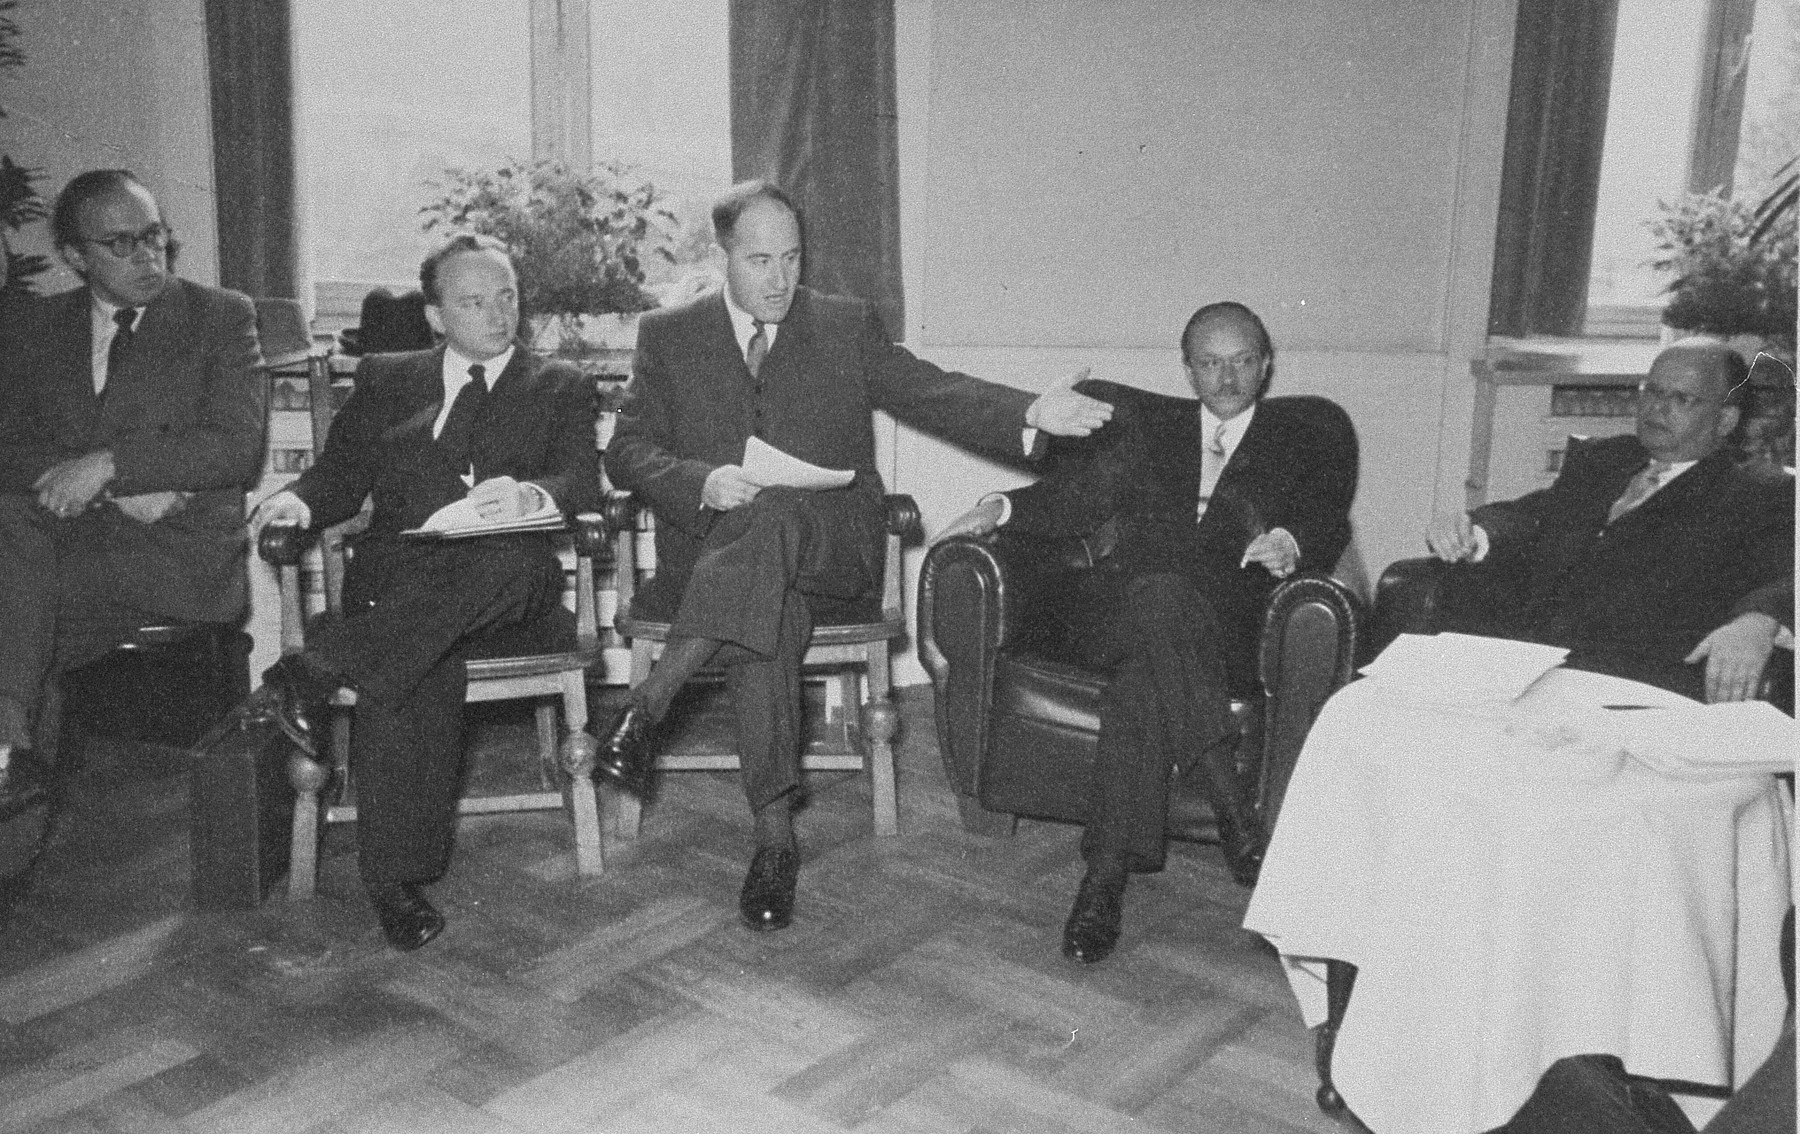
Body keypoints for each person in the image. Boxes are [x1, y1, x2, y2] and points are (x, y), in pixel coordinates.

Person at [597, 180, 1113, 933]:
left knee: (774, 522)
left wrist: (1029, 412)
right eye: (760, 260)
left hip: (833, 549)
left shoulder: (842, 326)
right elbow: (627, 451)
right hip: (723, 566)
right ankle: (773, 840)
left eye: (792, 258)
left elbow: (931, 389)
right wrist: (698, 480)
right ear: (724, 258)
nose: (779, 280)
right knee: (764, 609)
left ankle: (649, 705)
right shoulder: (668, 335)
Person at [934, 301, 1358, 963]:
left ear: (1266, 365)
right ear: (1188, 369)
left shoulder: (1303, 439)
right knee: (1157, 597)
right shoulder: (1150, 430)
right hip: (1119, 607)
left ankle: (1103, 879)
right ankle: (1233, 808)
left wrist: (1289, 542)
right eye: (1210, 363)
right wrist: (998, 506)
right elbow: (1075, 499)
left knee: (1143, 685)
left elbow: (1326, 517)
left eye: (1242, 361)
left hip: (1222, 629)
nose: (1226, 378)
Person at [249, 233, 599, 952]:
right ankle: (394, 882)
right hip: (405, 584)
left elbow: (580, 484)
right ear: (437, 317)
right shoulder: (388, 379)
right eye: (473, 302)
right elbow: (338, 477)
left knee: (498, 568)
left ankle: (320, 665)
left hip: (506, 578)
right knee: (416, 657)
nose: (498, 315)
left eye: (507, 297)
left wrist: (531, 495)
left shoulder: (559, 384)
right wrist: (296, 505)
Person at [0, 170, 265, 810]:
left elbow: (235, 446)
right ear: (74, 256)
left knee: (15, 583)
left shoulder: (220, 317)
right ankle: (11, 767)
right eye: (121, 244)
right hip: (66, 552)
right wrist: (108, 479)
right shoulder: (35, 328)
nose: (148, 256)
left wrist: (112, 462)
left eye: (154, 236)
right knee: (23, 591)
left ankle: (9, 754)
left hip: (174, 555)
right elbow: (8, 449)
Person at [1424, 341, 1793, 702]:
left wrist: (1759, 621)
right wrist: (1472, 529)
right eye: (1651, 391)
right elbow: (1535, 514)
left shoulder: (1756, 491)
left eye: (1681, 399)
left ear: (1726, 419)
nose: (1656, 408)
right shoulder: (1607, 458)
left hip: (1624, 679)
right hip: (1526, 660)